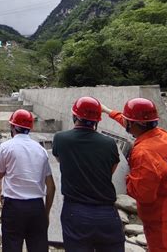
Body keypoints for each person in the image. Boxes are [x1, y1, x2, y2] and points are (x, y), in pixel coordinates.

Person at [102, 98, 167, 252]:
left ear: (135, 124)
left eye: (128, 121)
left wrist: (127, 176)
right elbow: (133, 123)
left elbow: (143, 195)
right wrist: (107, 110)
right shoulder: (166, 137)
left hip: (162, 219)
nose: (126, 125)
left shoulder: (143, 153)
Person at [52, 97, 125, 252]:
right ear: (97, 120)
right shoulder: (109, 143)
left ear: (75, 116)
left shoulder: (60, 139)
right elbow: (110, 170)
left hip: (75, 212)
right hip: (107, 213)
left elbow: (61, 161)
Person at [0, 109, 56, 252]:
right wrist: (45, 213)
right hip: (36, 208)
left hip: (14, 207)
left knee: (12, 246)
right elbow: (51, 186)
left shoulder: (6, 147)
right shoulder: (41, 150)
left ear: (13, 127)